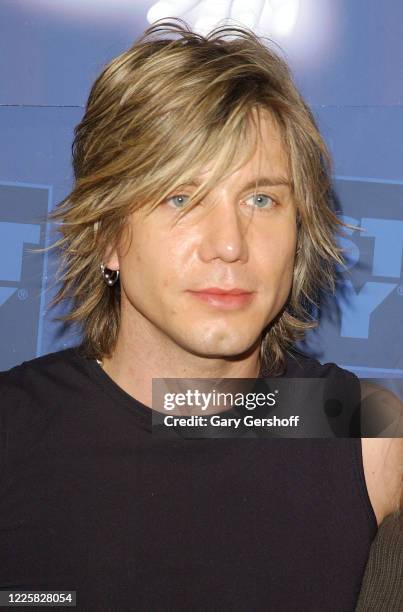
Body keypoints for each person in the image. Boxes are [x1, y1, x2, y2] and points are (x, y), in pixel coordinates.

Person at [0, 18, 401, 611]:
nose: (230, 244)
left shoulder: (360, 429)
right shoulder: (13, 431)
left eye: (261, 199)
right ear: (108, 235)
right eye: (179, 197)